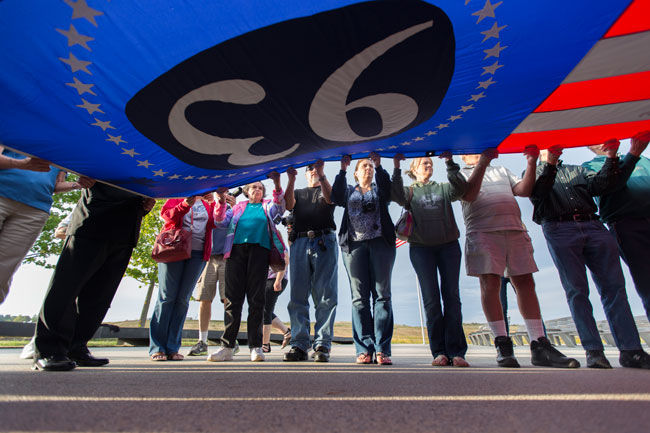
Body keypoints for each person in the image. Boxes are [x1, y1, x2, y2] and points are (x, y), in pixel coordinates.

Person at [532, 142, 650, 369]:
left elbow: (603, 185)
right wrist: (550, 165)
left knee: (614, 287)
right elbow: (538, 192)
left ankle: (631, 350)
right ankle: (594, 351)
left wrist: (612, 156)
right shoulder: (534, 174)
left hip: (593, 225)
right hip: (559, 228)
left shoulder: (579, 169)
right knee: (577, 290)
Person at [460, 147, 578, 368]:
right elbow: (469, 194)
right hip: (483, 231)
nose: (476, 152)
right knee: (490, 283)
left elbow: (523, 190)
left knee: (525, 282)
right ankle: (503, 344)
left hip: (514, 229)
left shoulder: (502, 170)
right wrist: (482, 163)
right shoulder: (460, 174)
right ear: (463, 156)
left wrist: (532, 162)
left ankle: (539, 344)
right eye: (471, 151)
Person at [33, 183, 155, 371]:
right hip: (92, 222)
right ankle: (50, 349)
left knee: (100, 297)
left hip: (125, 231)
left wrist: (144, 207)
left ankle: (77, 346)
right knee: (66, 289)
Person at [392, 152, 469, 367]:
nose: (427, 165)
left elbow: (460, 189)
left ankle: (457, 351)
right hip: (421, 249)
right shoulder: (409, 192)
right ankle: (439, 352)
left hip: (449, 247)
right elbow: (395, 193)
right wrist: (397, 167)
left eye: (430, 163)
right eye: (423, 163)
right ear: (414, 169)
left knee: (452, 296)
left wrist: (449, 162)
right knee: (431, 299)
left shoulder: (443, 188)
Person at [0, 145, 93, 304]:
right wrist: (22, 164)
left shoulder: (63, 146)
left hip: (35, 211)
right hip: (3, 195)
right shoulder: (15, 124)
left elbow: (56, 185)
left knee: (5, 270)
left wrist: (77, 185)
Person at [208, 173, 286, 362]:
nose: (257, 190)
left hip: (260, 252)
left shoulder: (267, 206)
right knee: (233, 300)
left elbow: (280, 208)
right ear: (247, 191)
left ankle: (256, 347)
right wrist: (219, 201)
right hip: (235, 253)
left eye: (260, 188)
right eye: (253, 188)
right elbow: (219, 221)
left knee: (256, 300)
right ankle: (227, 347)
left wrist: (276, 183)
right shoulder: (237, 208)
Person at [331, 152, 396, 365]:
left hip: (380, 244)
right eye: (364, 166)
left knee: (382, 295)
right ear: (356, 173)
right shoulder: (349, 190)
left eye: (370, 166)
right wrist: (342, 169)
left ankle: (382, 349)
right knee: (359, 298)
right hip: (354, 246)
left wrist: (379, 166)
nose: (367, 169)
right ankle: (364, 348)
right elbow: (335, 195)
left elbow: (388, 190)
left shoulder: (379, 189)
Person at [582, 131, 650, 321]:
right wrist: (632, 154)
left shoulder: (644, 160)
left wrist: (635, 155)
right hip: (627, 225)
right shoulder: (589, 167)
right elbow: (609, 185)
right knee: (646, 278)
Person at [149, 193, 215, 362]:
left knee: (183, 299)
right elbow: (166, 216)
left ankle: (172, 348)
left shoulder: (209, 201)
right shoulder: (179, 195)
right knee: (167, 297)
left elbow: (217, 223)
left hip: (198, 253)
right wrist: (185, 204)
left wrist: (219, 202)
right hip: (174, 248)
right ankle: (157, 347)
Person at [282, 161, 338, 362]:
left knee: (326, 295)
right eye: (310, 168)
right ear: (305, 174)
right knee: (298, 295)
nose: (313, 170)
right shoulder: (298, 192)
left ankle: (322, 344)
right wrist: (291, 179)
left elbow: (331, 198)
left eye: (316, 167)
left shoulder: (326, 188)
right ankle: (299, 344)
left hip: (325, 241)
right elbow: (288, 205)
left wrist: (322, 174)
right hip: (300, 241)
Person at [186, 193, 237, 357]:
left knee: (227, 299)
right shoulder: (205, 205)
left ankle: (230, 339)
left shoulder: (232, 207)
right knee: (204, 297)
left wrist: (234, 207)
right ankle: (203, 341)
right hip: (207, 256)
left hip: (226, 257)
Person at [262, 241, 291, 353]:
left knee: (266, 310)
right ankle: (287, 332)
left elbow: (284, 262)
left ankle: (265, 344)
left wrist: (278, 280)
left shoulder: (279, 246)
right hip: (268, 280)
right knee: (263, 309)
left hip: (276, 279)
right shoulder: (266, 246)